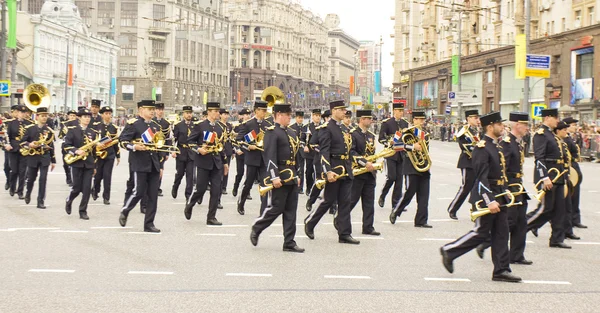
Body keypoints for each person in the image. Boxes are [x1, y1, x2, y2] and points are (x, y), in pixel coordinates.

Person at [440, 111, 522, 283]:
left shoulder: (495, 146)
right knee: (481, 232)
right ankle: (449, 251)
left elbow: (500, 174)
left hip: (499, 195)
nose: (503, 127)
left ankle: (501, 270)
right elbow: (481, 177)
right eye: (500, 125)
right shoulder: (482, 148)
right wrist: (489, 200)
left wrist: (505, 190)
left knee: (502, 233)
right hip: (486, 198)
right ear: (490, 126)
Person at [477, 112, 533, 265]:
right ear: (517, 125)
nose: (527, 128)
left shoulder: (517, 142)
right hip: (510, 187)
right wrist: (505, 189)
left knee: (521, 221)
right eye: (525, 125)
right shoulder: (507, 143)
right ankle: (486, 242)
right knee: (509, 221)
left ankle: (517, 254)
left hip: (517, 185)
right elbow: (502, 168)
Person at [250, 103, 304, 253]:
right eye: (287, 115)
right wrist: (274, 177)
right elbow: (270, 156)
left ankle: (289, 242)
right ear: (279, 115)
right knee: (276, 208)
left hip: (291, 176)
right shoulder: (272, 132)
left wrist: (298, 175)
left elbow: (296, 156)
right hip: (279, 176)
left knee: (291, 211)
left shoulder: (292, 132)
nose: (289, 118)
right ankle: (257, 227)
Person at [304, 100, 360, 245]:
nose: (344, 112)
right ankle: (310, 223)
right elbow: (324, 152)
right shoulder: (326, 128)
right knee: (328, 200)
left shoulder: (344, 128)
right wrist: (327, 171)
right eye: (341, 110)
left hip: (345, 169)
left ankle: (344, 233)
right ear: (334, 111)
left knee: (345, 202)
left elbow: (348, 150)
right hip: (334, 168)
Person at [526, 109, 571, 249]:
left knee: (559, 209)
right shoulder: (541, 134)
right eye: (556, 118)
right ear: (547, 118)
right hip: (548, 177)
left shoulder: (551, 134)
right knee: (546, 209)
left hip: (557, 176)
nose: (558, 121)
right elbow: (539, 158)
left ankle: (557, 238)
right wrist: (544, 177)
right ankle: (519, 227)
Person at [118, 100, 163, 233]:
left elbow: (159, 147)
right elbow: (122, 141)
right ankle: (125, 210)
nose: (152, 111)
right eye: (149, 109)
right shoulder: (134, 124)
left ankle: (149, 224)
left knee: (153, 196)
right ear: (141, 110)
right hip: (139, 163)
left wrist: (160, 166)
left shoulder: (156, 126)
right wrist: (134, 146)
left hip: (153, 164)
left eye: (153, 109)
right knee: (138, 191)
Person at [184, 102, 229, 225]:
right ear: (208, 112)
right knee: (201, 189)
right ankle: (190, 204)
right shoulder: (200, 126)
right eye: (215, 111)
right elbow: (190, 142)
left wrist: (225, 163)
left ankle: (211, 217)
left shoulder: (220, 127)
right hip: (204, 162)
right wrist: (199, 149)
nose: (217, 114)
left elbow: (222, 146)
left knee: (216, 190)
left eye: (218, 111)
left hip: (216, 163)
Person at [388, 111, 432, 228]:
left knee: (424, 195)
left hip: (423, 166)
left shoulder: (424, 134)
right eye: (419, 120)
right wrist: (412, 147)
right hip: (410, 166)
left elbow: (426, 149)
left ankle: (421, 220)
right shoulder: (402, 131)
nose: (422, 122)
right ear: (414, 120)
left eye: (423, 120)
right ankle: (396, 211)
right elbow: (394, 146)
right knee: (409, 192)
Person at [236, 101, 272, 215]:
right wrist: (248, 146)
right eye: (263, 110)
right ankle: (241, 203)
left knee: (265, 184)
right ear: (256, 110)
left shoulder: (268, 124)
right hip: (252, 158)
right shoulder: (248, 124)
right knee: (249, 183)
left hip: (264, 159)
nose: (265, 113)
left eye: (266, 110)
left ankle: (263, 208)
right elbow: (239, 140)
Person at [64, 108, 100, 220]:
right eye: (85, 117)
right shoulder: (72, 130)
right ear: (79, 118)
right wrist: (76, 150)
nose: (87, 119)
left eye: (88, 117)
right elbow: (66, 146)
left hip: (88, 164)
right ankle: (69, 200)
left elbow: (94, 152)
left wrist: (95, 166)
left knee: (87, 188)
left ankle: (83, 211)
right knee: (76, 188)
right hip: (77, 163)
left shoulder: (92, 133)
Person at [349, 109, 380, 236]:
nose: (370, 121)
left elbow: (372, 153)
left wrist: (374, 164)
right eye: (368, 118)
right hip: (358, 172)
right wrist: (364, 162)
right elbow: (351, 152)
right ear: (361, 119)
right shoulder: (352, 134)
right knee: (352, 200)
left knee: (369, 201)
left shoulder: (371, 135)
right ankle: (340, 218)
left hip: (369, 172)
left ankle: (368, 227)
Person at [20, 107, 56, 209]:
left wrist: (53, 161)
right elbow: (22, 142)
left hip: (44, 157)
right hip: (33, 156)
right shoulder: (30, 128)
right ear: (37, 116)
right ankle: (28, 193)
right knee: (31, 178)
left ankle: (40, 201)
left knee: (43, 179)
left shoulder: (49, 131)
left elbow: (51, 146)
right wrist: (29, 144)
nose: (44, 118)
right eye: (42, 116)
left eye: (46, 116)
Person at [447, 110, 480, 219]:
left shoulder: (477, 130)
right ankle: (452, 208)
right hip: (468, 161)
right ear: (468, 119)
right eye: (475, 118)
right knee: (466, 187)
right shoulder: (464, 131)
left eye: (477, 118)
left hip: (477, 162)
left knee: (477, 187)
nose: (477, 120)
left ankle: (476, 209)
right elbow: (465, 146)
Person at [378, 102, 410, 209]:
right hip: (391, 154)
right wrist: (388, 142)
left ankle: (396, 204)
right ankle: (383, 195)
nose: (401, 113)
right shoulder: (387, 123)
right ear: (394, 111)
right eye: (399, 111)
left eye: (402, 111)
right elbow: (381, 138)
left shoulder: (405, 123)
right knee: (391, 177)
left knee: (399, 180)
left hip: (401, 153)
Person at [554, 121, 581, 241]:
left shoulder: (564, 142)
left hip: (567, 175)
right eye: (564, 129)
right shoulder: (558, 142)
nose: (566, 131)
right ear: (558, 131)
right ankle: (531, 225)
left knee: (568, 205)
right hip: (559, 177)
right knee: (550, 208)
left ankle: (567, 230)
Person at [92, 106, 120, 205]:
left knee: (107, 176)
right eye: (106, 114)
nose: (108, 116)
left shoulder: (114, 128)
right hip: (99, 155)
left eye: (109, 114)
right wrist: (97, 145)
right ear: (102, 115)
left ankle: (106, 197)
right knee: (98, 175)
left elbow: (115, 142)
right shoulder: (96, 126)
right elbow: (93, 140)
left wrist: (118, 155)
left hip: (110, 155)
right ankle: (95, 190)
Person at [563, 117, 587, 229]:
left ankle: (575, 219)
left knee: (575, 195)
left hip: (575, 166)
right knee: (568, 197)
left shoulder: (571, 138)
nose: (575, 127)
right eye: (573, 125)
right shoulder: (564, 140)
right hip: (570, 167)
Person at [171, 105, 195, 201]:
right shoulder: (178, 125)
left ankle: (188, 194)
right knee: (180, 173)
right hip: (181, 151)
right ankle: (175, 186)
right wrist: (173, 150)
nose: (189, 115)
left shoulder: (195, 125)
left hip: (191, 152)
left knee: (190, 175)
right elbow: (174, 139)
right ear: (183, 114)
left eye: (190, 113)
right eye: (187, 113)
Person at [5, 105, 29, 199]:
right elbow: (7, 136)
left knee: (23, 172)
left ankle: (20, 192)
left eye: (24, 112)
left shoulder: (29, 123)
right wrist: (7, 144)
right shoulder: (11, 123)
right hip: (13, 149)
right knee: (14, 170)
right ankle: (12, 187)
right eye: (21, 112)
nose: (22, 114)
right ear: (17, 113)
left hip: (25, 150)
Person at [302, 109, 322, 209]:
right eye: (316, 115)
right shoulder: (307, 127)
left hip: (320, 154)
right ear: (312, 116)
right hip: (310, 153)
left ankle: (315, 188)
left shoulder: (323, 127)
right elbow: (301, 139)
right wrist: (304, 147)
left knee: (318, 173)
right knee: (309, 171)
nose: (318, 117)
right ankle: (309, 187)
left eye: (319, 115)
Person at [153, 103, 172, 197]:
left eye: (161, 109)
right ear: (155, 110)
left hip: (162, 150)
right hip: (152, 148)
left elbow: (168, 138)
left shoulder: (166, 123)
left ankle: (157, 188)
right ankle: (152, 187)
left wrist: (167, 152)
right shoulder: (151, 121)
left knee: (160, 168)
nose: (160, 111)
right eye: (158, 109)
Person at [232, 108, 252, 197]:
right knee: (240, 172)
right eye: (245, 115)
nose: (247, 116)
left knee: (249, 174)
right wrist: (236, 149)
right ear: (241, 116)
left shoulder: (252, 125)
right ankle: (235, 186)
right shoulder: (237, 126)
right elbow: (234, 140)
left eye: (248, 114)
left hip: (249, 152)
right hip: (240, 152)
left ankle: (247, 191)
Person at [58, 110, 78, 185]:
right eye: (71, 115)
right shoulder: (64, 124)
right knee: (66, 163)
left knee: (74, 162)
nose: (72, 117)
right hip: (65, 145)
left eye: (74, 115)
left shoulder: (78, 124)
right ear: (68, 116)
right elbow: (60, 135)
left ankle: (73, 179)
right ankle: (68, 177)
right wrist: (65, 134)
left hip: (75, 145)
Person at [219, 108, 234, 197]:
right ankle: (219, 185)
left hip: (227, 150)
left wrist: (233, 151)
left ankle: (224, 186)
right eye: (224, 114)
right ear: (220, 115)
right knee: (219, 170)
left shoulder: (229, 126)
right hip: (220, 149)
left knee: (226, 169)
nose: (226, 116)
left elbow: (231, 139)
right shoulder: (218, 125)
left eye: (227, 114)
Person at [290, 111, 305, 194]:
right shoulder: (292, 127)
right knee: (295, 168)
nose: (300, 119)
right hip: (295, 152)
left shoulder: (305, 128)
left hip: (302, 151)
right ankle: (295, 185)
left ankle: (301, 187)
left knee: (302, 169)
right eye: (299, 118)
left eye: (302, 118)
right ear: (296, 118)